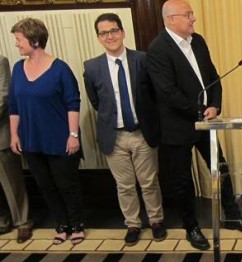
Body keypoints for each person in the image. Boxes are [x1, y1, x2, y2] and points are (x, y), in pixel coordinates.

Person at [147, 0, 242, 250]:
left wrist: (215, 106)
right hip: (177, 127)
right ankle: (191, 227)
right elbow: (167, 92)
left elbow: (213, 76)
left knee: (221, 168)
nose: (193, 19)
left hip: (207, 123)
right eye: (188, 14)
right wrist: (198, 111)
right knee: (183, 181)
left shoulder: (199, 41)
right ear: (171, 19)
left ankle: (233, 215)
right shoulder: (158, 49)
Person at [83, 13, 166, 246]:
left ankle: (156, 220)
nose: (110, 36)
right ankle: (132, 224)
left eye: (113, 31)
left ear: (122, 32)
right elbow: (96, 101)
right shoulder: (92, 68)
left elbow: (153, 95)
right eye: (104, 33)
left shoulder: (143, 60)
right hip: (114, 136)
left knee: (149, 181)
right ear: (99, 38)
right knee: (125, 185)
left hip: (142, 132)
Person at [8, 18, 84, 245]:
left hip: (60, 139)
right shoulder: (18, 69)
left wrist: (73, 135)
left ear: (34, 40)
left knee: (66, 185)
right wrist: (14, 134)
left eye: (19, 40)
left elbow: (73, 103)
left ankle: (77, 224)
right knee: (46, 186)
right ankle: (61, 225)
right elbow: (13, 105)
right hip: (31, 140)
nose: (17, 44)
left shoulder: (60, 69)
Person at [0, 54, 32, 243]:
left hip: (2, 136)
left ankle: (23, 222)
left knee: (12, 183)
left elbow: (4, 97)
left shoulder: (0, 61)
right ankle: (2, 220)